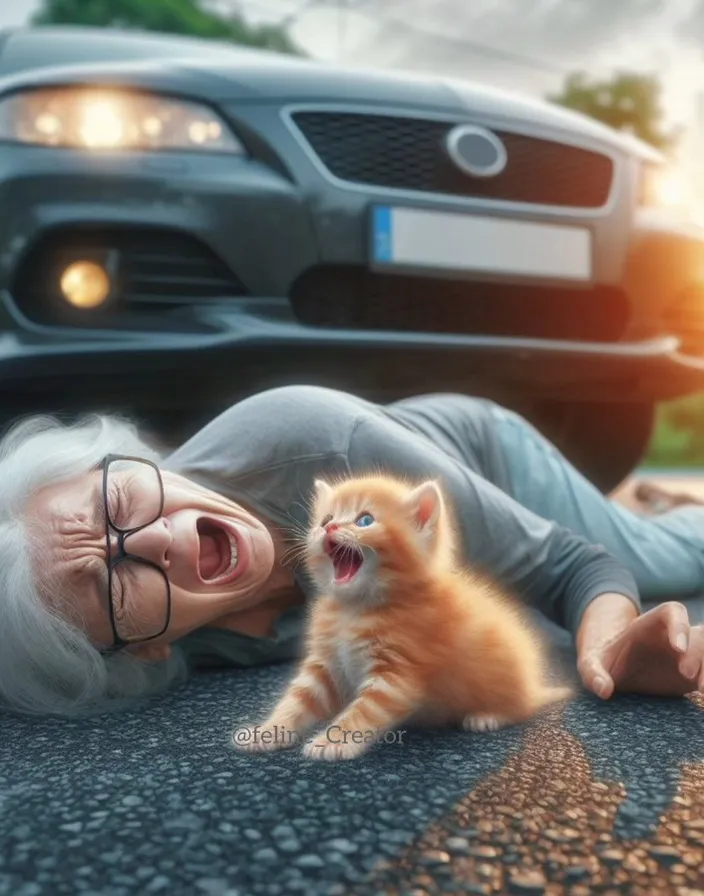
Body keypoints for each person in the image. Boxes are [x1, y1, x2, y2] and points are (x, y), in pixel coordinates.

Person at [1, 384, 703, 719]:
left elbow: (573, 566)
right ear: (142, 653)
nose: (156, 538)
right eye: (115, 584)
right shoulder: (177, 646)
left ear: (130, 458)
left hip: (482, 460)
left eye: (120, 503)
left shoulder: (328, 448)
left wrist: (605, 653)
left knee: (657, 561)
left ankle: (682, 514)